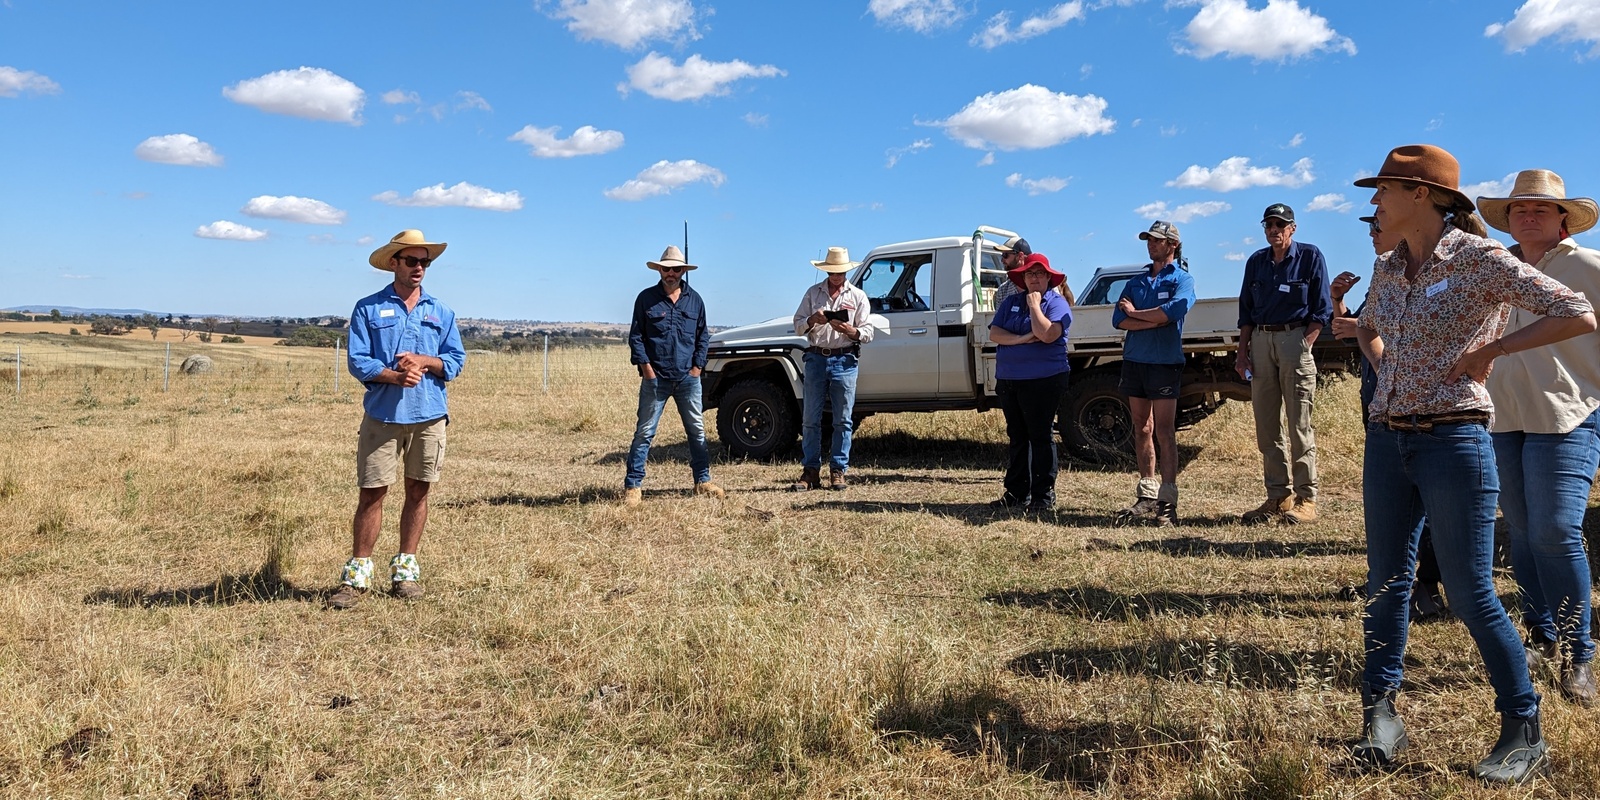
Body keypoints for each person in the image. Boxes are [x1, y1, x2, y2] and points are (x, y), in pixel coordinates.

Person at [1349, 145, 1594, 783]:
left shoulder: (1480, 259)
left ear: (1422, 196)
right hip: (1388, 439)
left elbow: (1576, 312)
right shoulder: (1389, 263)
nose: (1374, 202)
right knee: (1386, 584)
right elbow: (1368, 326)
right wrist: (1391, 369)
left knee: (1470, 590)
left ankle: (1523, 725)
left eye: (1385, 190)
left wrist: (1493, 348)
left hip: (1455, 440)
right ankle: (1381, 712)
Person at [1477, 169, 1600, 706]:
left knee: (1554, 528)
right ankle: (1542, 633)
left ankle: (1580, 653)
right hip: (1503, 416)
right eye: (1519, 210)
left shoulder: (1587, 266)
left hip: (1568, 414)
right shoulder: (1498, 268)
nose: (1527, 217)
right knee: (1524, 530)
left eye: (1540, 210)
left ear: (1563, 219)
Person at [327, 230, 466, 610]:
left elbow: (455, 361)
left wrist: (425, 362)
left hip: (429, 415)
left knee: (418, 491)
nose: (419, 267)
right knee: (372, 493)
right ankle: (356, 576)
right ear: (394, 264)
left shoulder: (441, 311)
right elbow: (358, 361)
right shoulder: (368, 309)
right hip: (383, 416)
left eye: (425, 261)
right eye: (412, 260)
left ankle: (405, 571)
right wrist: (393, 376)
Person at [1331, 217, 1448, 624]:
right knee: (1394, 500)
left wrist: (1358, 329)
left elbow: (1379, 331)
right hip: (1381, 402)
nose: (1371, 232)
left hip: (1415, 406)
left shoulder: (1431, 273)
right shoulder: (1388, 274)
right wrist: (1338, 302)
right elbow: (1358, 328)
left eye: (1379, 225)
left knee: (1425, 501)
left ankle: (1427, 586)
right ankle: (1390, 580)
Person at [1235, 203, 1331, 525]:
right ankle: (1278, 495)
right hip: (1261, 341)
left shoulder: (1310, 256)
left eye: (1280, 224)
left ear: (1293, 228)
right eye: (1269, 225)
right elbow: (1246, 311)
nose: (1274, 230)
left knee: (1298, 424)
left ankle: (1306, 499)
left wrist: (1305, 344)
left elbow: (1322, 308)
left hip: (1295, 339)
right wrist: (1242, 352)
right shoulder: (1256, 262)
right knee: (1266, 425)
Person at [1111, 221, 1195, 527]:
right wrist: (1150, 320)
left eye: (1157, 240)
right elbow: (1118, 321)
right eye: (1149, 240)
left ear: (1172, 244)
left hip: (1164, 362)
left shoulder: (1182, 279)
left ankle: (1168, 499)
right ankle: (1147, 493)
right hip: (1136, 360)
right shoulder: (1137, 281)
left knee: (1165, 431)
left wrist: (1136, 314)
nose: (1151, 244)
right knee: (1141, 427)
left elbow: (1172, 312)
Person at [624, 246, 723, 506]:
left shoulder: (695, 300)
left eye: (676, 269)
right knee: (645, 432)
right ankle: (633, 486)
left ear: (683, 271)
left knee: (697, 432)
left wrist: (697, 368)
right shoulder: (646, 299)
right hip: (655, 379)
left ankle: (702, 481)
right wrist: (647, 370)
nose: (671, 273)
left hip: (688, 379)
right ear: (659, 270)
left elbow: (703, 336)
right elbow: (636, 337)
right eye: (666, 268)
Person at [987, 253, 1073, 512]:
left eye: (1039, 274)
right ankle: (1016, 492)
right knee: (1017, 435)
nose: (1034, 278)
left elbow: (1047, 335)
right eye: (1029, 274)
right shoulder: (1010, 302)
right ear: (1022, 278)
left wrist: (1035, 306)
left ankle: (1042, 495)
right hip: (1010, 379)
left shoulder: (1056, 304)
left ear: (1048, 277)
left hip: (1044, 379)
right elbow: (994, 333)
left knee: (1040, 434)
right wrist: (1023, 338)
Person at [792, 247, 875, 491]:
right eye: (831, 271)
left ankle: (838, 470)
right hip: (817, 358)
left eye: (839, 271)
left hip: (845, 359)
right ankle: (811, 471)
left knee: (843, 420)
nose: (835, 275)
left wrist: (851, 332)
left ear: (845, 271)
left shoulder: (858, 296)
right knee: (810, 419)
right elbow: (797, 326)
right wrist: (812, 321)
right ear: (826, 270)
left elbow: (868, 332)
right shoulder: (812, 293)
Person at [995, 236, 1075, 305]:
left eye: (1005, 255)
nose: (1002, 260)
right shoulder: (1003, 289)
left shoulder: (1049, 285)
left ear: (1020, 256)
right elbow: (998, 320)